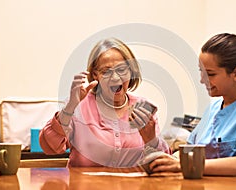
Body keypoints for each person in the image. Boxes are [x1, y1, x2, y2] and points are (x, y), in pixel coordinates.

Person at [149, 33, 236, 184]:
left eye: (210, 74)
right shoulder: (213, 108)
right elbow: (190, 150)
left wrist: (182, 165)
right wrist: (164, 160)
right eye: (201, 71)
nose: (202, 80)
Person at [39, 38, 170, 167]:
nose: (115, 77)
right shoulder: (78, 105)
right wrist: (70, 107)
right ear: (95, 75)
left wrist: (152, 139)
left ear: (131, 71)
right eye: (106, 71)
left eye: (121, 70)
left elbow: (163, 164)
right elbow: (50, 147)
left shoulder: (143, 107)